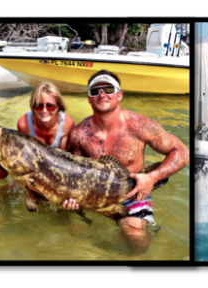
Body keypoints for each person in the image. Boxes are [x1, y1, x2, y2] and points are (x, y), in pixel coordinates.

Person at [62, 70, 189, 255]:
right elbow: (76, 173)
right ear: (89, 99)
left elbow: (182, 152)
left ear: (119, 95)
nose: (102, 94)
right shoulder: (79, 134)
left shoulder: (140, 125)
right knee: (76, 238)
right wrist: (71, 200)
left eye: (108, 89)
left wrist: (152, 177)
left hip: (132, 195)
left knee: (136, 240)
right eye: (95, 91)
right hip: (91, 197)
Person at [16, 82, 74, 151]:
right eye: (39, 106)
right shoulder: (23, 125)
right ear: (32, 107)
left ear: (58, 107)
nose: (44, 110)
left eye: (50, 106)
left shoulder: (67, 124)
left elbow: (62, 157)